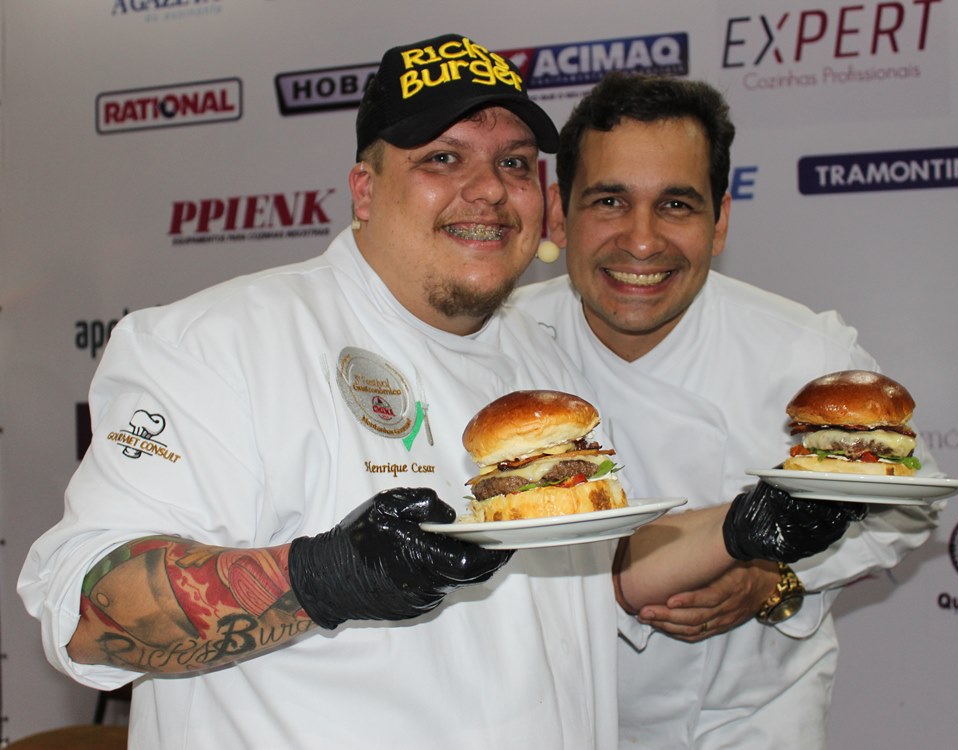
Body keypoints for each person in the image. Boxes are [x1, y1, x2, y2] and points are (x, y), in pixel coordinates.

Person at [18, 35, 859, 750]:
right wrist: (324, 577)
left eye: (514, 163)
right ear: (365, 189)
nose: (487, 189)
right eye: (442, 159)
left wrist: (746, 527)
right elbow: (87, 611)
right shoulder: (221, 343)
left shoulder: (543, 365)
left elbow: (600, 577)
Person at [512, 71, 941, 749]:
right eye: (610, 201)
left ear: (720, 223)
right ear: (559, 216)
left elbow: (911, 505)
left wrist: (780, 577)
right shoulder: (501, 347)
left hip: (749, 722)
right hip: (558, 720)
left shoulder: (804, 352)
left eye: (676, 205)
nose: (642, 240)